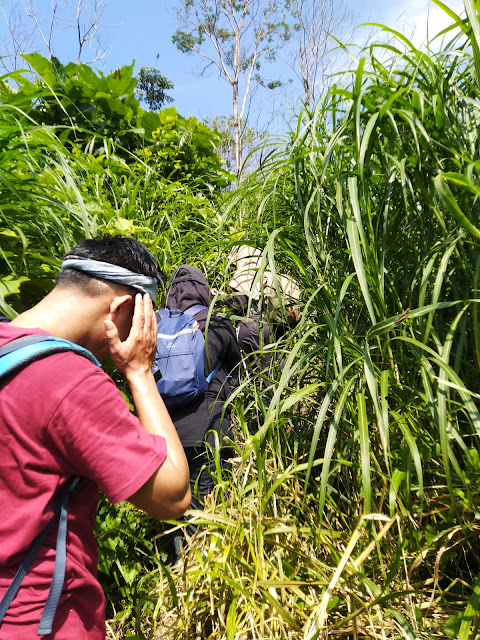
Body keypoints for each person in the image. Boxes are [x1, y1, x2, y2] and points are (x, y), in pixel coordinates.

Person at [0, 235, 191, 640]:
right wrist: (139, 371)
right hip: (38, 622)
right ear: (124, 308)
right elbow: (172, 495)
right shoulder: (69, 380)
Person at [160, 265, 241, 559]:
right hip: (209, 429)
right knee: (203, 499)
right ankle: (196, 569)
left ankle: (180, 562)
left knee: (175, 503)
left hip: (165, 433)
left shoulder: (157, 324)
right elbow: (237, 368)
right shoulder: (215, 322)